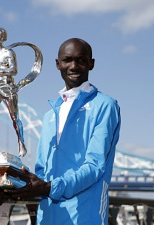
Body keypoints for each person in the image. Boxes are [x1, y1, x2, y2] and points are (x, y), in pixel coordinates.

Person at [7, 38, 121, 225]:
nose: (74, 66)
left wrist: (48, 187)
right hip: (47, 216)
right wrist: (18, 185)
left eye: (81, 60)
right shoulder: (50, 114)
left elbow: (95, 166)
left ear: (91, 64)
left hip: (86, 216)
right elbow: (42, 170)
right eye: (67, 60)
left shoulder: (105, 106)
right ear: (57, 64)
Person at [0, 27, 27, 157]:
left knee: (14, 117)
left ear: (3, 38)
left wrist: (0, 70)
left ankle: (21, 143)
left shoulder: (8, 52)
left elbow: (14, 70)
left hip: (8, 87)